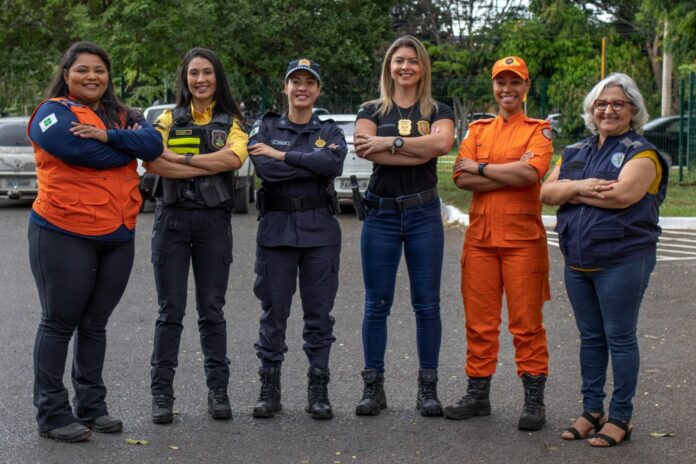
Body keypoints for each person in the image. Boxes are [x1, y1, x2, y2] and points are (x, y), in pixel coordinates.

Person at [27, 41, 163, 442]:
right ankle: (52, 414)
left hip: (118, 233)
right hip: (63, 231)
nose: (91, 76)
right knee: (58, 321)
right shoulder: (51, 113)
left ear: (109, 76)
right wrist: (123, 147)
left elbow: (153, 145)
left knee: (95, 322)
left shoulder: (123, 115)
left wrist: (106, 135)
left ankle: (91, 406)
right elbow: (74, 150)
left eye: (99, 70)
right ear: (66, 73)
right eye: (82, 69)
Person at [540, 73, 668, 447]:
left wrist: (570, 193)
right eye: (601, 104)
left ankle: (621, 416)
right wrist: (580, 187)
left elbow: (623, 196)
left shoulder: (642, 152)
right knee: (591, 338)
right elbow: (547, 192)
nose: (608, 109)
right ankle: (591, 409)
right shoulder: (576, 151)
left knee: (620, 338)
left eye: (618, 104)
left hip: (624, 260)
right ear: (590, 110)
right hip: (578, 261)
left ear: (633, 111)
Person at [443, 56, 553, 431]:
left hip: (523, 242)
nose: (507, 89)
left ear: (526, 87)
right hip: (481, 241)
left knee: (526, 324)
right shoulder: (478, 130)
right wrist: (508, 174)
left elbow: (530, 173)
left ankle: (533, 400)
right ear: (493, 86)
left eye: (515, 82)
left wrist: (484, 169)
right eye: (500, 82)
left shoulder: (539, 131)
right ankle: (478, 395)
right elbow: (460, 176)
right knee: (480, 323)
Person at [143, 48, 248, 424]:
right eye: (193, 73)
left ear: (217, 77)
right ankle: (161, 395)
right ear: (184, 79)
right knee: (169, 311)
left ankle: (218, 392)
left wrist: (181, 161)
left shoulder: (232, 121)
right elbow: (152, 161)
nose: (200, 79)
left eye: (207, 73)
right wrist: (202, 164)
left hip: (213, 224)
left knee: (211, 311)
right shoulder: (169, 118)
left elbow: (233, 160)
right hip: (170, 221)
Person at [352, 35, 455, 417]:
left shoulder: (439, 109)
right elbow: (362, 147)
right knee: (376, 304)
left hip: (423, 215)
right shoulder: (372, 108)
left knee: (426, 305)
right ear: (389, 67)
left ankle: (428, 390)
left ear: (423, 67)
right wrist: (413, 145)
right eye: (399, 61)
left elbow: (441, 147)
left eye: (412, 60)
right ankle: (373, 388)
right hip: (380, 215)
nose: (405, 67)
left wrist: (388, 144)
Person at [247, 58, 347, 420]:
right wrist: (305, 160)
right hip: (276, 233)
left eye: (309, 82)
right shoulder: (265, 126)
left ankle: (318, 388)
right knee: (274, 313)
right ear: (285, 87)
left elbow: (333, 164)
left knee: (319, 315)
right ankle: (268, 388)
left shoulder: (330, 130)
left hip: (320, 233)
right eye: (296, 82)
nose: (302, 88)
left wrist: (284, 154)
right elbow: (267, 169)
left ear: (318, 90)